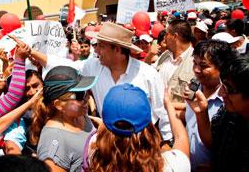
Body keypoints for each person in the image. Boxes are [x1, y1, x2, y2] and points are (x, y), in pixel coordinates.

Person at [24, 22, 172, 141]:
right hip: (110, 143)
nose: (96, 51)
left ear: (118, 50)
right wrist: (31, 52)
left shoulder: (148, 75)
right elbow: (63, 66)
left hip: (142, 144)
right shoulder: (92, 67)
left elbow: (162, 112)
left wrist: (166, 143)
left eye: (101, 46)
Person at [83, 83, 190, 172]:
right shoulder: (171, 166)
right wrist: (168, 105)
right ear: (149, 127)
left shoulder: (92, 156)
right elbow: (181, 139)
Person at [187, 55, 249, 172]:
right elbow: (212, 142)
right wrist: (201, 113)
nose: (221, 93)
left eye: (229, 88)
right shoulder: (228, 112)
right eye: (223, 86)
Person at [31, 66, 96, 172]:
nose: (86, 98)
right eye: (79, 95)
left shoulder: (79, 114)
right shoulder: (53, 140)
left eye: (85, 91)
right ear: (59, 105)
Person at [185, 40, 237, 170]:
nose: (196, 70)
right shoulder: (193, 91)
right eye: (195, 63)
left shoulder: (230, 103)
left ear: (222, 67)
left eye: (203, 65)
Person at [155, 20, 194, 102]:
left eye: (167, 34)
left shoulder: (195, 62)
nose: (164, 38)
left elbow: (194, 104)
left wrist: (169, 107)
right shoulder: (165, 55)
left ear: (175, 36)